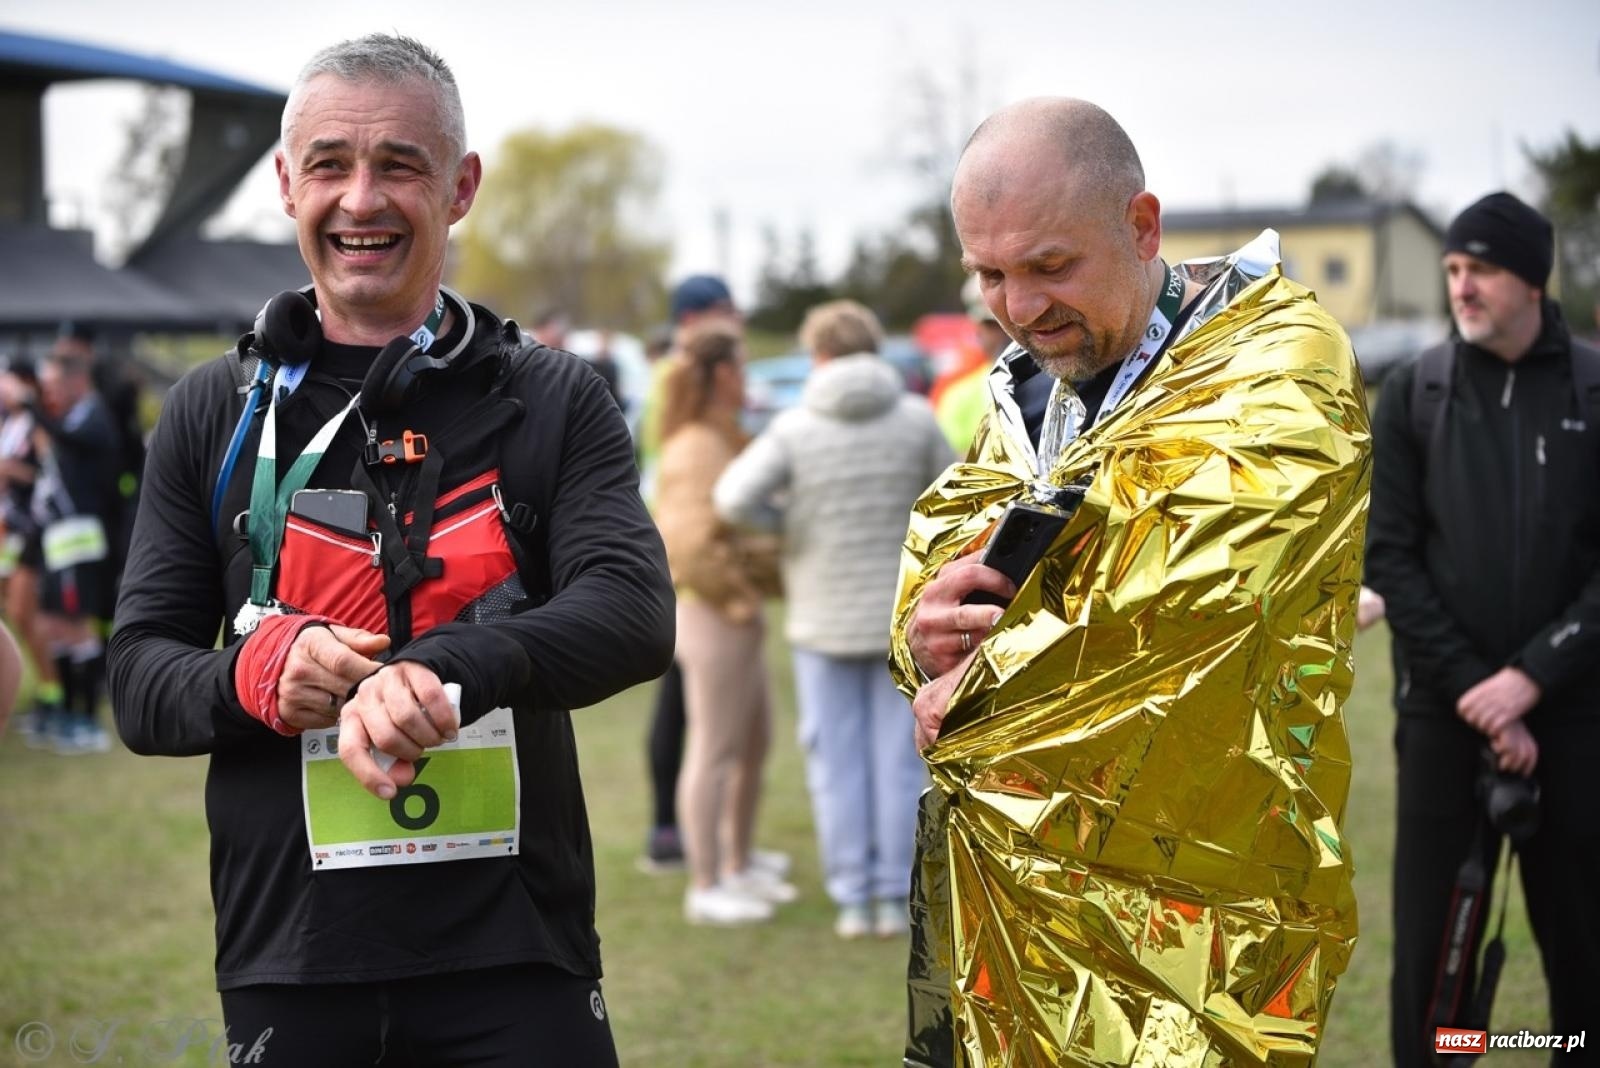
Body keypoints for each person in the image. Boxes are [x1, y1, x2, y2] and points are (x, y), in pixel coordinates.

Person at [106, 35, 673, 1065]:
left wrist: (449, 672)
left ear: (459, 188)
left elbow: (633, 614)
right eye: (330, 164)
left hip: (517, 952)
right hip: (291, 956)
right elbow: (138, 677)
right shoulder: (210, 410)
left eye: (399, 166)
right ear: (286, 185)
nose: (360, 199)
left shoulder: (549, 397)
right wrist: (255, 673)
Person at [889, 98, 1369, 1066]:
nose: (1019, 310)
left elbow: (1186, 604)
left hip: (1195, 892)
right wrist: (925, 635)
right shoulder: (1031, 393)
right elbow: (950, 556)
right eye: (990, 275)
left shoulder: (1272, 366)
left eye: (1050, 267)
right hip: (1012, 896)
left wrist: (979, 688)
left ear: (1141, 226)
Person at [1365, 192, 1600, 1065]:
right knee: (1434, 969)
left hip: (1574, 716)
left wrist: (1531, 678)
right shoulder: (1413, 394)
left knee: (1581, 954)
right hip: (1445, 716)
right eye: (1454, 269)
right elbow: (1388, 559)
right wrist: (1478, 689)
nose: (1462, 287)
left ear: (1532, 279)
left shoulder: (1592, 389)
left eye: (1483, 269)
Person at [714, 300, 950, 939]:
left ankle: (853, 896)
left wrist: (788, 528)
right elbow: (953, 500)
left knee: (834, 761)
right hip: (902, 618)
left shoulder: (794, 427)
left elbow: (733, 498)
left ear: (816, 353)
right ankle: (894, 893)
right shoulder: (916, 416)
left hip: (820, 616)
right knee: (899, 760)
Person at [653, 321, 792, 925]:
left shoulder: (718, 437)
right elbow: (686, 544)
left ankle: (736, 863)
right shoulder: (694, 446)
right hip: (710, 613)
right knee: (714, 746)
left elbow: (738, 533)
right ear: (719, 375)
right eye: (740, 367)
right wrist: (738, 599)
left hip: (727, 610)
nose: (748, 379)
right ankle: (706, 883)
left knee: (753, 741)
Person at [28, 343, 121, 753]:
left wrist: (32, 411)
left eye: (52, 384)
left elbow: (76, 443)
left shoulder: (93, 416)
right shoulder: (68, 417)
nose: (48, 393)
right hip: (58, 537)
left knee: (77, 625)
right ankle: (65, 712)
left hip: (81, 538)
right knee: (52, 625)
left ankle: (86, 722)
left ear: (77, 381)